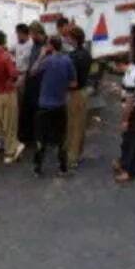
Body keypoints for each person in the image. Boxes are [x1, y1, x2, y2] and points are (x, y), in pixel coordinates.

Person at [32, 36, 74, 177]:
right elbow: (73, 83)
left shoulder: (47, 61)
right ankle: (63, 167)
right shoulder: (67, 61)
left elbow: (33, 71)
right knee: (61, 138)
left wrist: (41, 55)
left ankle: (38, 168)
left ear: (50, 46)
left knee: (41, 138)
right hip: (60, 105)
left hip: (44, 105)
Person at [0, 31, 24, 164]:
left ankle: (12, 148)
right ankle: (11, 150)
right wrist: (20, 73)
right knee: (10, 124)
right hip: (7, 93)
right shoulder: (6, 56)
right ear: (4, 41)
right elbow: (13, 73)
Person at [64, 27, 93, 169]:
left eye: (68, 36)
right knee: (80, 126)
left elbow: (69, 78)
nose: (66, 39)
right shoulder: (87, 54)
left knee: (73, 126)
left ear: (73, 39)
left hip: (73, 94)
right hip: (83, 92)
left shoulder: (72, 57)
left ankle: (71, 157)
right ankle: (77, 154)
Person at [19, 23, 49, 145]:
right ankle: (27, 137)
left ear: (38, 33)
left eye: (32, 34)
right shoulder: (35, 44)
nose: (31, 37)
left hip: (40, 83)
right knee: (28, 110)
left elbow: (36, 68)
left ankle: (37, 138)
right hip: (31, 82)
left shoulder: (47, 46)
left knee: (37, 111)